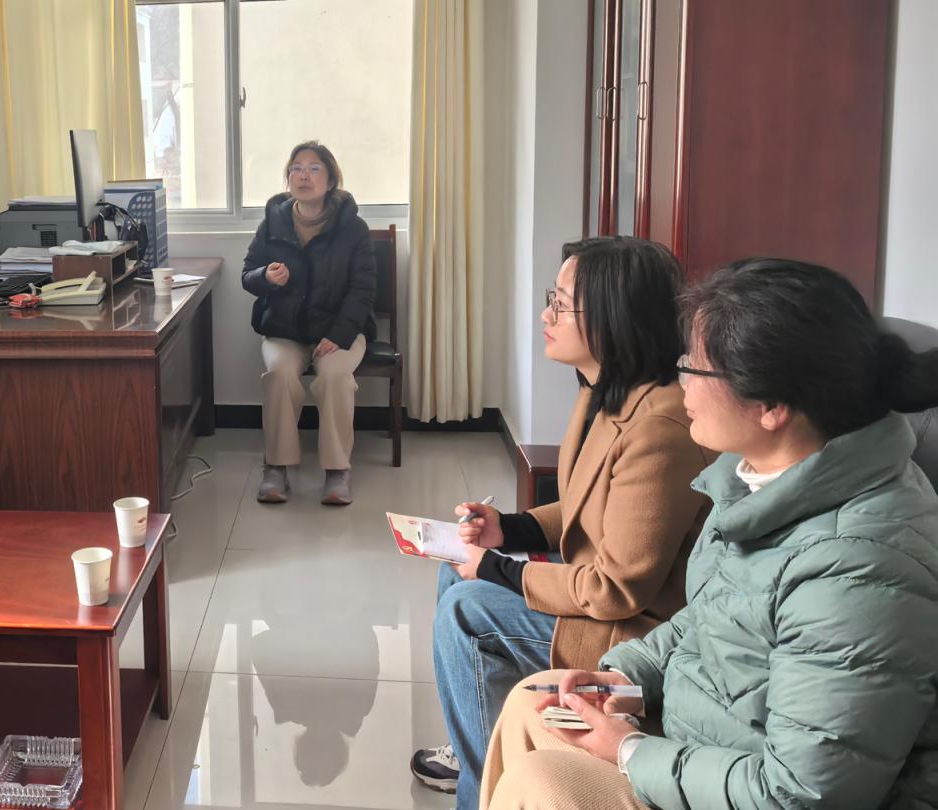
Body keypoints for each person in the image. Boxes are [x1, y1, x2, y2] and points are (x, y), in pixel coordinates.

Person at [481, 259, 938, 810]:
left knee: (544, 781)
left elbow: (798, 793)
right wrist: (624, 678)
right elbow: (706, 617)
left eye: (694, 368)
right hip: (705, 745)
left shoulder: (858, 568)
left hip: (754, 785)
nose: (681, 383)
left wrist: (628, 751)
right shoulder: (756, 481)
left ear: (771, 406)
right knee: (535, 703)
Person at [410, 237, 714, 808]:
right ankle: (487, 744)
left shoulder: (660, 429)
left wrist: (497, 568)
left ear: (615, 316)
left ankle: (481, 790)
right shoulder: (602, 392)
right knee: (456, 570)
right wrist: (509, 529)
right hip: (601, 596)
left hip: (638, 630)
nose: (546, 315)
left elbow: (617, 589)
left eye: (562, 304)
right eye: (553, 298)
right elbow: (583, 505)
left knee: (467, 608)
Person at [242, 141, 376, 506]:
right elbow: (248, 275)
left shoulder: (353, 228)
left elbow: (364, 290)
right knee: (280, 374)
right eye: (296, 168)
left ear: (330, 180)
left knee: (334, 376)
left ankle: (337, 470)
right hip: (286, 330)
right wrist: (266, 276)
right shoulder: (272, 223)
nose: (304, 175)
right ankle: (276, 467)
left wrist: (339, 334)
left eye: (314, 168)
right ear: (288, 178)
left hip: (340, 330)